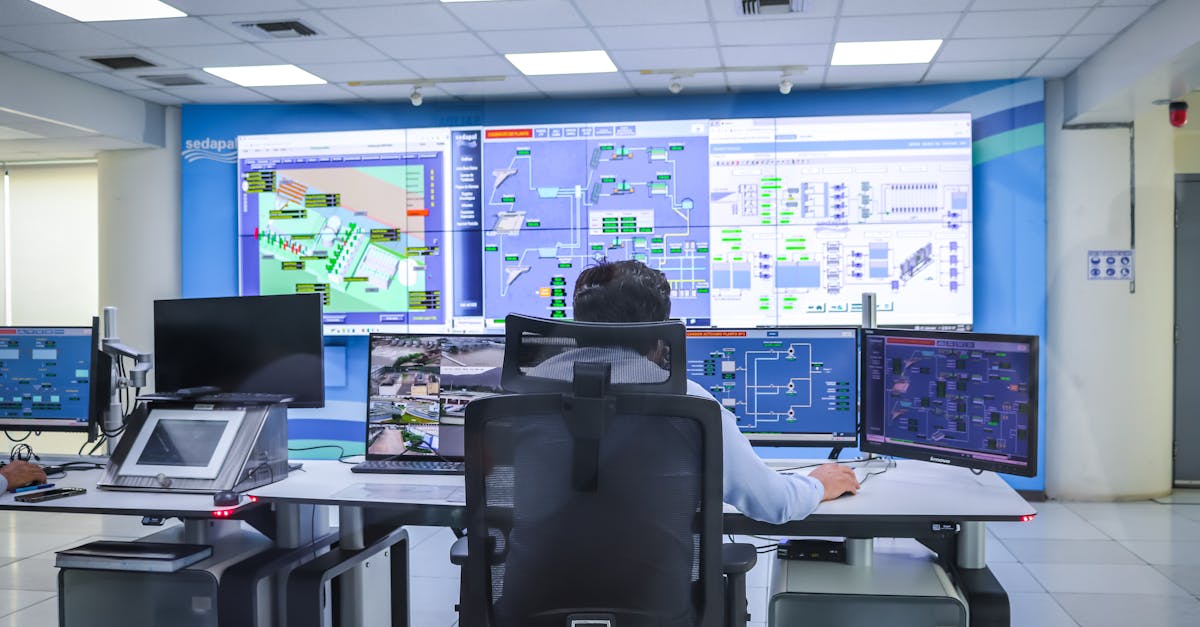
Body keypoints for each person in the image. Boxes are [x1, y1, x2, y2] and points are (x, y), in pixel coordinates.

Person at [547, 259, 860, 524]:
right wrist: (818, 484)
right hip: (655, 594)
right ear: (659, 337)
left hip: (532, 591)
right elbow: (774, 503)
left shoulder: (518, 393)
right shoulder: (690, 407)